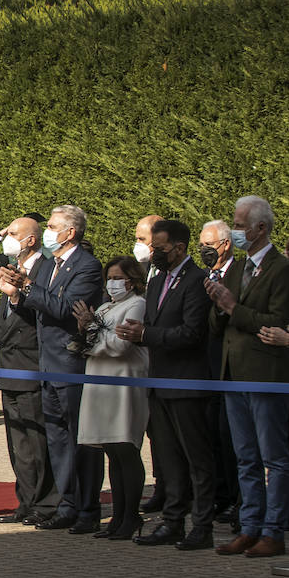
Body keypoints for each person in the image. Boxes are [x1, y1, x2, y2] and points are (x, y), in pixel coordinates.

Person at [0, 205, 105, 533]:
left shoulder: (87, 266)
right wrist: (15, 295)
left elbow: (65, 308)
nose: (49, 232)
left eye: (54, 227)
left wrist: (26, 287)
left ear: (70, 233)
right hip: (46, 364)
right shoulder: (51, 266)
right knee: (56, 438)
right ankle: (67, 503)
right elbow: (38, 304)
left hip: (69, 364)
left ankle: (87, 507)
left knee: (80, 439)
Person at [118, 220, 216, 549]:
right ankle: (172, 522)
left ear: (179, 248)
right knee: (169, 459)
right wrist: (138, 330)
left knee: (197, 460)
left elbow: (191, 333)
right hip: (159, 383)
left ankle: (202, 526)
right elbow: (154, 325)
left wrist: (146, 334)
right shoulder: (158, 281)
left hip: (188, 384)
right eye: (153, 248)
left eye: (160, 249)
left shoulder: (197, 280)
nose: (154, 254)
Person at [205, 196, 289, 558]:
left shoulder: (282, 269)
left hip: (265, 373)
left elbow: (275, 322)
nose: (236, 231)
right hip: (232, 371)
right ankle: (250, 525)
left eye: (240, 226)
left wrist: (232, 307)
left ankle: (273, 530)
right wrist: (219, 304)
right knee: (245, 457)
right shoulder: (238, 268)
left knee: (274, 457)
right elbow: (217, 323)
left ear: (261, 229)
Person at [0, 217, 59, 525]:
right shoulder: (11, 266)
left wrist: (16, 295)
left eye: (13, 234)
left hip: (31, 364)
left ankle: (46, 503)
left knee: (36, 440)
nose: (8, 238)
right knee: (18, 443)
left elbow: (45, 311)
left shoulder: (45, 269)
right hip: (9, 366)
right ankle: (26, 501)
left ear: (31, 240)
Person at [73, 257, 149, 541]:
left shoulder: (136, 304)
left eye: (119, 277)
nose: (113, 283)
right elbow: (86, 344)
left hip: (123, 384)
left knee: (125, 448)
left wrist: (91, 330)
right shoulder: (105, 307)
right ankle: (117, 517)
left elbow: (119, 346)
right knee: (111, 451)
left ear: (131, 279)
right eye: (110, 277)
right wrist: (86, 327)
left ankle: (131, 516)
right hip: (99, 384)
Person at [198, 220, 241, 525]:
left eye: (210, 245)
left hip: (233, 366)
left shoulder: (238, 275)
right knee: (212, 434)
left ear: (226, 245)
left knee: (232, 438)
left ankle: (239, 500)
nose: (205, 250)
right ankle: (220, 495)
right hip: (207, 367)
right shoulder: (202, 278)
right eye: (201, 244)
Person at [131, 214, 166, 514]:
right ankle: (161, 485)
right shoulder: (144, 271)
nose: (137, 245)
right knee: (154, 431)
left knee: (169, 432)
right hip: (146, 364)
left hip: (167, 362)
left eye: (142, 240)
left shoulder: (169, 271)